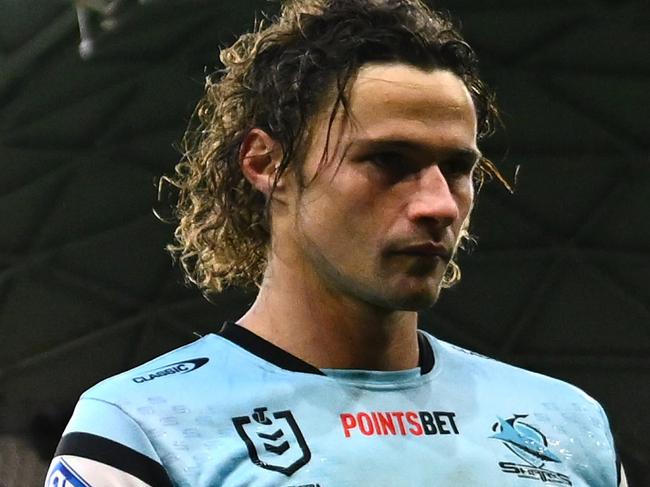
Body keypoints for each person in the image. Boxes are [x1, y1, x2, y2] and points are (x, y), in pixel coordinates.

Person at [45, 0, 626, 485]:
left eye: (455, 168)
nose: (440, 205)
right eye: (388, 161)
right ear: (266, 163)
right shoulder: (140, 428)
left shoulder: (568, 424)